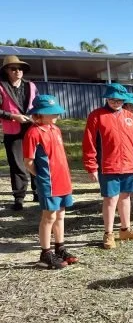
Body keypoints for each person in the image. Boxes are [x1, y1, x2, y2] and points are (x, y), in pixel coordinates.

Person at [83, 83, 133, 249]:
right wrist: (91, 166)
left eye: (119, 99)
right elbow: (89, 143)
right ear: (107, 98)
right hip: (108, 166)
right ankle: (108, 233)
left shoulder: (130, 117)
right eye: (112, 99)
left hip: (129, 165)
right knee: (111, 199)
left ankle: (125, 229)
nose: (116, 102)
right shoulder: (96, 116)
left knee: (126, 197)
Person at [22, 95, 79, 269]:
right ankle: (45, 253)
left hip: (63, 180)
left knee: (61, 214)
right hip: (49, 182)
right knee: (49, 216)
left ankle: (60, 248)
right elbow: (28, 161)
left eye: (56, 112)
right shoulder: (33, 132)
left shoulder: (55, 129)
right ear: (39, 113)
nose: (56, 115)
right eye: (51, 112)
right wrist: (41, 177)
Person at [0, 55, 38, 210]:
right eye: (13, 69)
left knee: (35, 161)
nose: (18, 71)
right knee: (17, 165)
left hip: (33, 129)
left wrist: (37, 117)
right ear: (6, 71)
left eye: (20, 68)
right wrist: (13, 116)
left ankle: (38, 192)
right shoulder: (1, 87)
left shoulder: (31, 86)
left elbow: (39, 105)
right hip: (12, 131)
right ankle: (19, 198)